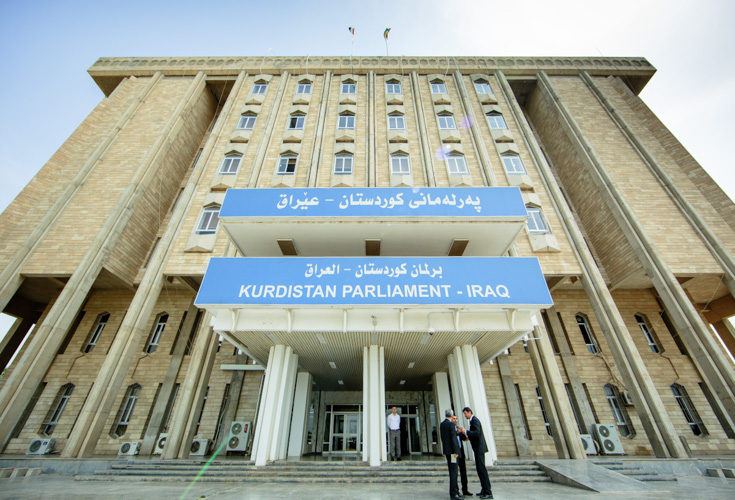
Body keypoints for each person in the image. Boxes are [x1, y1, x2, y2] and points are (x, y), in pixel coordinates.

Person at [460, 407, 493, 500]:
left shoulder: (475, 420)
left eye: (466, 413)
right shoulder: (472, 421)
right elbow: (474, 434)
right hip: (477, 449)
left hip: (479, 449)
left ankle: (488, 491)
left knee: (482, 470)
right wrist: (468, 437)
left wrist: (466, 431)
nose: (465, 415)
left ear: (470, 412)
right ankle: (484, 489)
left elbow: (477, 433)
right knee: (479, 469)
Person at [440, 409, 463, 500]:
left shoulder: (442, 424)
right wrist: (456, 451)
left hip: (447, 451)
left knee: (452, 471)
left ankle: (456, 491)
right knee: (454, 473)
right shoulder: (451, 425)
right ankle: (454, 494)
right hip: (453, 453)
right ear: (452, 415)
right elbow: (453, 439)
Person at [451, 414, 473, 497]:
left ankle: (465, 489)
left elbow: (465, 438)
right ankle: (456, 490)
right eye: (454, 419)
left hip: (461, 454)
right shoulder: (451, 429)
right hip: (454, 455)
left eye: (456, 418)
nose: (455, 420)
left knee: (463, 471)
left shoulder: (458, 429)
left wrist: (464, 432)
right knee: (454, 473)